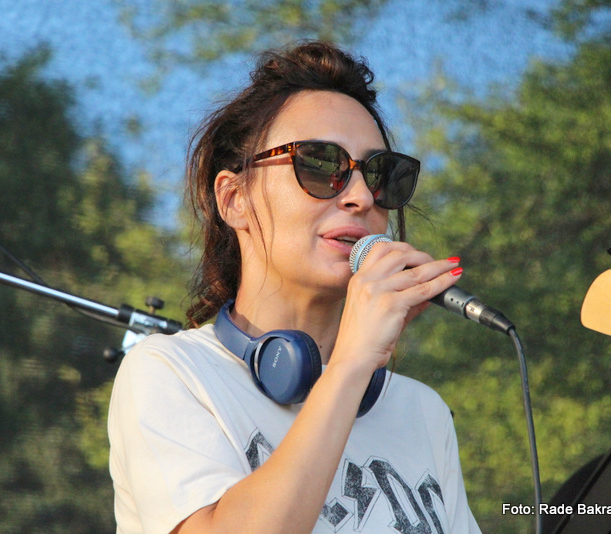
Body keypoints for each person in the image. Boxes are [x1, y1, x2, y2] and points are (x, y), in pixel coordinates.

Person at [107, 41, 481, 534]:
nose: (361, 197)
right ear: (234, 199)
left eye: (379, 174)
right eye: (320, 164)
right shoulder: (171, 372)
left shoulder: (421, 412)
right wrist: (350, 366)